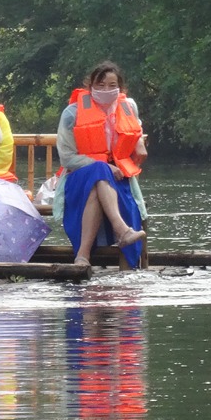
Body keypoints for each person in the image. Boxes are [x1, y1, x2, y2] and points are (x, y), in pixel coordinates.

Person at [55, 61, 147, 268]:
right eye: (100, 85)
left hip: (118, 178)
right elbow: (67, 158)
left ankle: (82, 256)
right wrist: (103, 166)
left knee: (97, 186)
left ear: (120, 87)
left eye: (112, 85)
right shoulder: (72, 113)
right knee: (98, 171)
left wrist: (139, 142)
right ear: (90, 87)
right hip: (79, 176)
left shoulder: (129, 107)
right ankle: (122, 229)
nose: (106, 90)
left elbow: (137, 128)